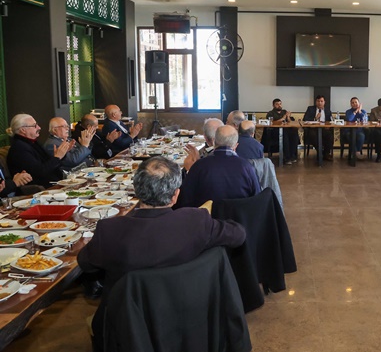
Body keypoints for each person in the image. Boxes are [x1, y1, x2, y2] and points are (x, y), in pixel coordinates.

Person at [77, 156, 246, 352]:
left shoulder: (110, 230)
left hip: (130, 327)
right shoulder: (195, 221)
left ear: (136, 190)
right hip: (191, 317)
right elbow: (239, 235)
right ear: (175, 195)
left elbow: (85, 263)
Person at [176, 125, 261, 207]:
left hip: (207, 216)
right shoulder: (247, 167)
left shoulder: (199, 166)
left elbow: (184, 199)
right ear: (236, 146)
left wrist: (188, 171)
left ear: (214, 142)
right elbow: (257, 198)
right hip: (238, 215)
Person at [6, 114, 71, 187]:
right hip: (40, 189)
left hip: (52, 183)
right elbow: (40, 172)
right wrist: (57, 157)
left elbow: (48, 164)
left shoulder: (31, 143)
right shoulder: (19, 148)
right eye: (34, 126)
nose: (39, 127)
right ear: (23, 130)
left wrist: (62, 154)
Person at [265, 98, 299, 164]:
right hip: (275, 132)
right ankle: (287, 158)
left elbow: (290, 122)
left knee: (294, 133)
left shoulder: (284, 112)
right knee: (284, 134)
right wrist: (283, 118)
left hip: (286, 130)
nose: (279, 105)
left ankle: (293, 156)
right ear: (273, 105)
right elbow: (271, 123)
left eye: (280, 104)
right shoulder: (270, 113)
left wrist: (288, 117)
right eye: (277, 104)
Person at [303, 95, 334, 161]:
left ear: (324, 102)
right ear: (316, 102)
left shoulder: (327, 110)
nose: (320, 103)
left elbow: (330, 120)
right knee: (312, 135)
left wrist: (329, 125)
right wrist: (315, 118)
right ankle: (320, 152)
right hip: (313, 129)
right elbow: (305, 119)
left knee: (329, 135)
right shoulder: (310, 109)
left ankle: (326, 153)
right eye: (318, 101)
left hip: (324, 129)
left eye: (321, 101)